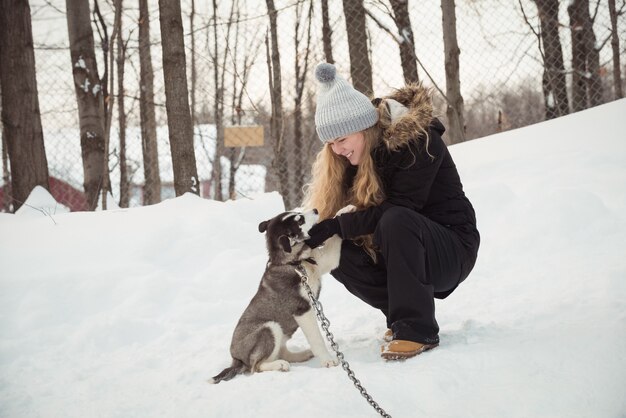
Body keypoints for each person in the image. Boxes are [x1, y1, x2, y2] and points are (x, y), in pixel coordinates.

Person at [302, 63, 480, 360]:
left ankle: (416, 328)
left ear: (363, 127)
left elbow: (398, 209)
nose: (337, 150)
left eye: (342, 139)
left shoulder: (418, 142)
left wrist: (337, 225)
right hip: (408, 246)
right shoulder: (351, 159)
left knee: (395, 219)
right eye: (331, 143)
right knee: (336, 248)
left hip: (451, 248)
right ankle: (400, 316)